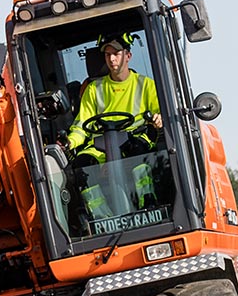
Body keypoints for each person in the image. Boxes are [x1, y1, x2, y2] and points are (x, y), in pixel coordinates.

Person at [62, 32, 164, 228]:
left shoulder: (145, 85)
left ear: (128, 56)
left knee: (138, 154)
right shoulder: (94, 89)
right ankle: (102, 219)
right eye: (107, 54)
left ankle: (148, 207)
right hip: (101, 146)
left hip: (134, 139)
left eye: (116, 53)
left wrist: (159, 119)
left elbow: (161, 114)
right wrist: (69, 142)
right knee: (81, 165)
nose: (111, 58)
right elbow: (81, 126)